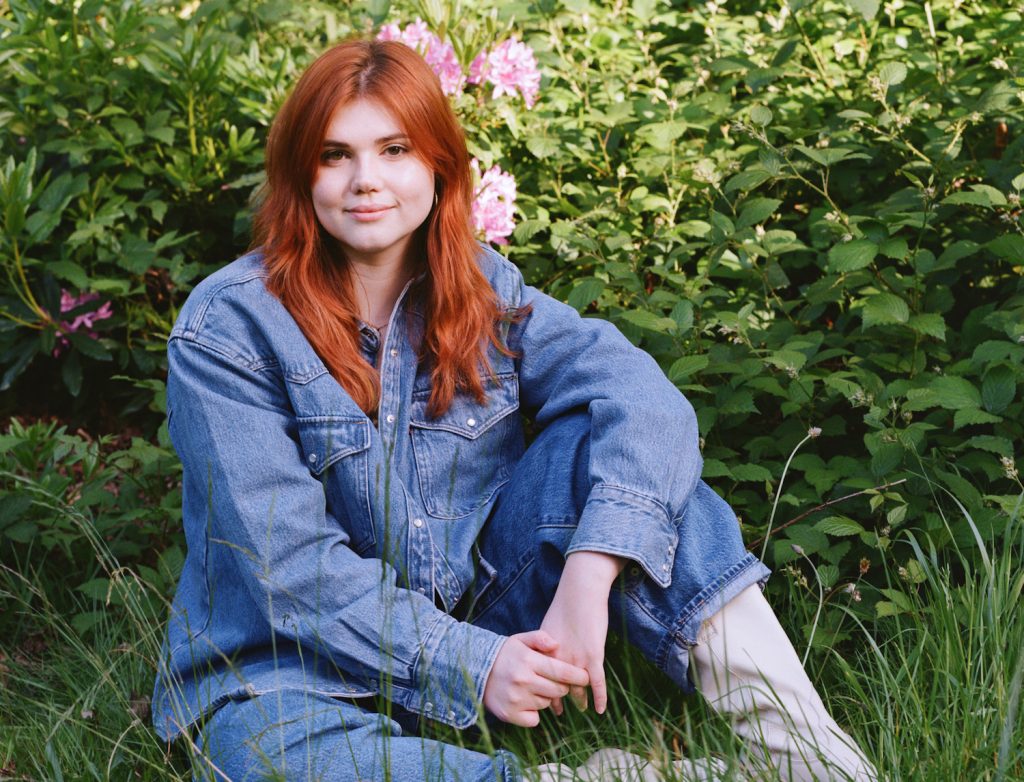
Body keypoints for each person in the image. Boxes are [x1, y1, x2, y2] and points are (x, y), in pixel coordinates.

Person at [152, 38, 878, 782]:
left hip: (485, 625)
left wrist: (591, 572)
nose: (366, 180)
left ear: (437, 162)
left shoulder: (485, 289)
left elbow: (643, 398)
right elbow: (287, 570)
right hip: (293, 673)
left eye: (394, 148)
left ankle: (810, 762)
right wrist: (475, 661)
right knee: (271, 759)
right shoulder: (228, 329)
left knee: (628, 454)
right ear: (300, 173)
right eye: (335, 155)